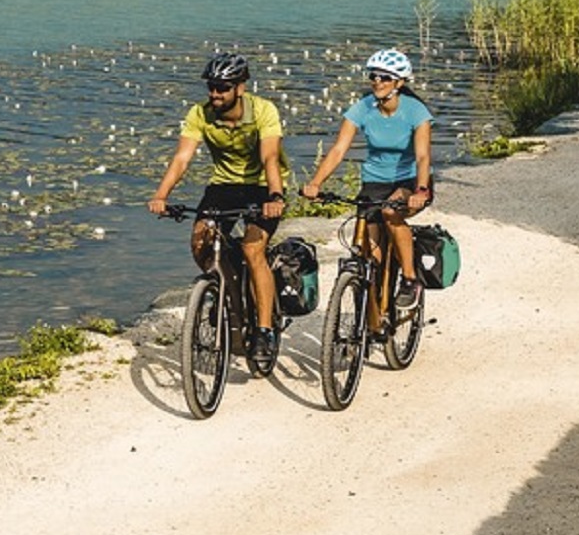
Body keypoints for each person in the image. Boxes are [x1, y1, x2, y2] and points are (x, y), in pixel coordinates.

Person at [148, 52, 287, 367]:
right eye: (211, 86)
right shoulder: (200, 113)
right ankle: (229, 292)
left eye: (222, 87)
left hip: (263, 185)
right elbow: (182, 158)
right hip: (224, 186)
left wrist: (276, 196)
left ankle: (264, 328)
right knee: (201, 243)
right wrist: (161, 194)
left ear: (240, 87)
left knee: (254, 250)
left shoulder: (263, 110)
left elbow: (270, 158)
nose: (215, 94)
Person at [298, 48, 434, 311]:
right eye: (374, 76)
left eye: (385, 77)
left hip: (409, 180)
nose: (377, 82)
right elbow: (338, 150)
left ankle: (409, 279)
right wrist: (316, 183)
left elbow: (423, 157)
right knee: (368, 251)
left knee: (390, 212)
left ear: (399, 82)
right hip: (374, 182)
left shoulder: (416, 111)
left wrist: (420, 190)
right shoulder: (363, 107)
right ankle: (373, 311)